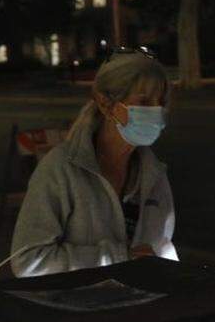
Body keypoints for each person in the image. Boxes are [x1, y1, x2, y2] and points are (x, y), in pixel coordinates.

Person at [11, 49, 178, 277]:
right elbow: (28, 260)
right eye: (144, 101)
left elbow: (161, 249)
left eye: (161, 102)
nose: (156, 111)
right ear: (105, 104)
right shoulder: (61, 169)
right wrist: (120, 259)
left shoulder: (154, 174)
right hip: (76, 300)